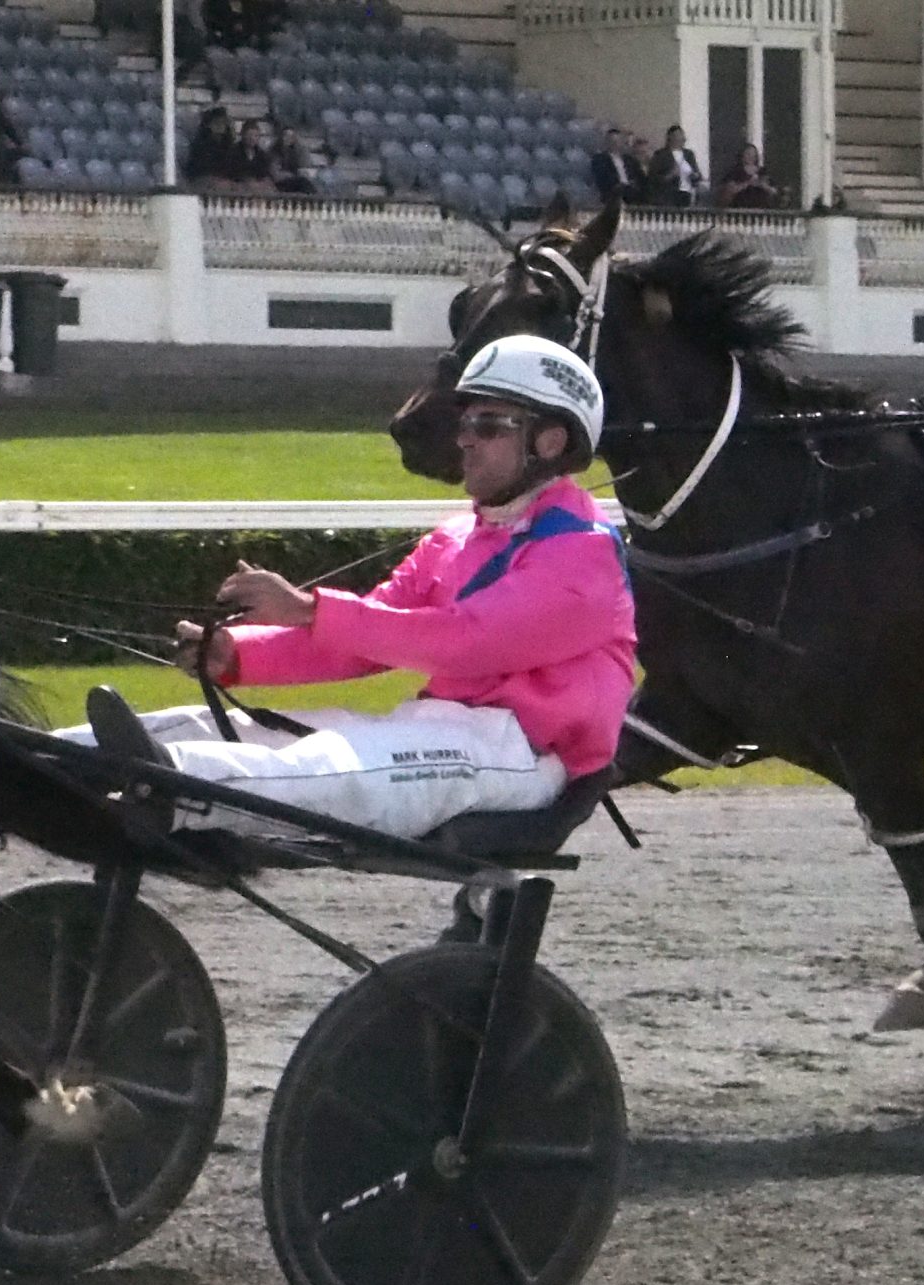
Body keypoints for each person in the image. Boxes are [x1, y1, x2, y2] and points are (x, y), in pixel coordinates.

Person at [73, 335, 634, 840]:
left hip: (524, 756)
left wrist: (307, 609)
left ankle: (167, 782)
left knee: (327, 768)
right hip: (437, 729)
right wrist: (237, 654)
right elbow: (369, 637)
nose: (464, 439)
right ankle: (57, 756)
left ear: (550, 441)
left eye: (488, 424)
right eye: (464, 422)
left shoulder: (583, 552)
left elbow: (466, 641)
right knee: (242, 733)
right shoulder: (458, 537)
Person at [714, 143, 780, 210]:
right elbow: (728, 190)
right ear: (742, 155)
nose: (751, 157)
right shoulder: (735, 171)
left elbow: (775, 191)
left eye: (754, 155)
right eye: (748, 154)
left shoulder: (763, 172)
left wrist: (763, 185)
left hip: (761, 209)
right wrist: (747, 183)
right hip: (740, 208)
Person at [183, 107, 234, 189]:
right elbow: (199, 169)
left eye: (223, 123)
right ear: (208, 125)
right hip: (202, 180)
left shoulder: (228, 144)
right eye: (216, 123)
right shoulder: (201, 143)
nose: (220, 126)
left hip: (223, 181)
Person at [651, 125, 702, 207]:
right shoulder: (660, 155)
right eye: (676, 135)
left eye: (681, 135)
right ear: (670, 137)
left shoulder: (689, 154)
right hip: (669, 194)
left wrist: (695, 175)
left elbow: (697, 173)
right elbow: (653, 177)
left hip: (687, 192)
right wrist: (671, 175)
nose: (679, 138)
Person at [588, 126, 638, 207]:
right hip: (612, 193)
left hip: (630, 192)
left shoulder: (629, 159)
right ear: (607, 142)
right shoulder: (600, 159)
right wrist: (617, 185)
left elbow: (636, 175)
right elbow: (601, 178)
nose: (614, 143)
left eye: (617, 141)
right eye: (612, 141)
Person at [226, 118, 273, 190]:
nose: (252, 138)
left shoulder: (261, 154)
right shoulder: (233, 151)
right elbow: (230, 173)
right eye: (249, 135)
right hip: (237, 186)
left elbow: (264, 173)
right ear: (243, 135)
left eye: (256, 135)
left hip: (257, 187)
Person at [269, 126, 315, 194]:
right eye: (286, 135)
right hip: (280, 182)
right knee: (303, 182)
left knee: (307, 181)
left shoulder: (295, 151)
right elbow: (275, 174)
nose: (288, 138)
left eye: (292, 136)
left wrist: (301, 147)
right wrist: (291, 175)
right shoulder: (275, 151)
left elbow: (304, 165)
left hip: (293, 180)